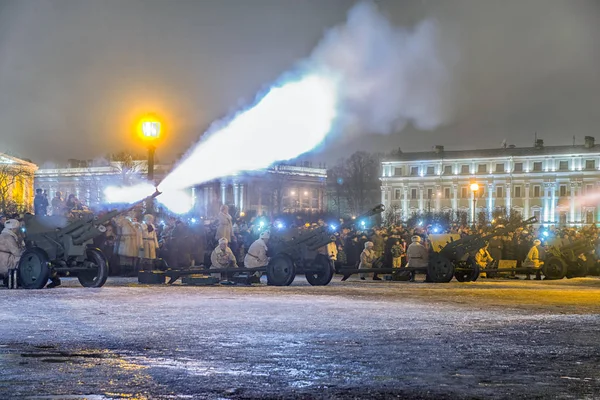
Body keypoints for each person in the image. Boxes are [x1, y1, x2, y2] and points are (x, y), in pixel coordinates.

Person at [0, 219, 24, 286]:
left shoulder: (4, 235)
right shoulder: (8, 237)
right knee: (23, 260)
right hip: (6, 261)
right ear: (12, 229)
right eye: (16, 229)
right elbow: (17, 252)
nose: (17, 230)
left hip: (3, 259)